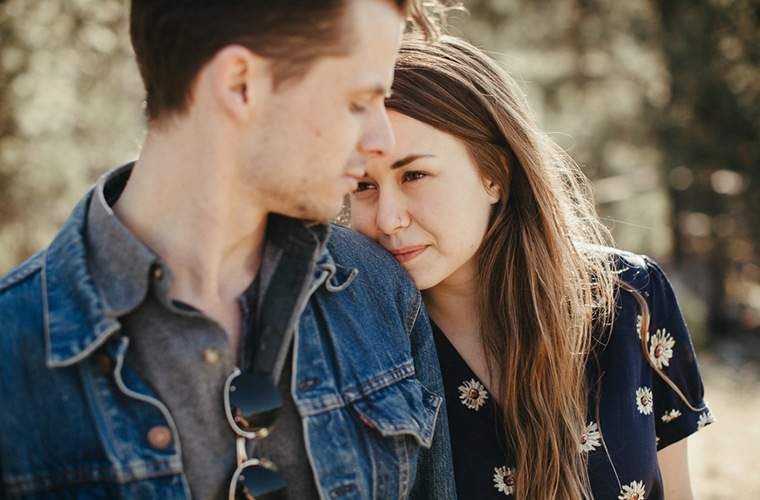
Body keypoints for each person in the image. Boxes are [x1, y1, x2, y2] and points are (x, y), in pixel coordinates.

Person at [0, 2, 456, 499]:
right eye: (358, 101)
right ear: (240, 83)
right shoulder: (13, 351)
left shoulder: (376, 288)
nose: (380, 138)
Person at [350, 36, 714, 500]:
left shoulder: (631, 298)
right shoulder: (358, 340)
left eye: (413, 175)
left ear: (494, 174)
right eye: (363, 184)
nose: (388, 218)